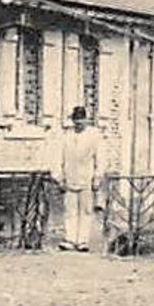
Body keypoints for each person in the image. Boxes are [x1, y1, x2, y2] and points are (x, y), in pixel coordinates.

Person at [60, 106, 103, 251]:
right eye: (76, 121)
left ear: (86, 120)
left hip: (87, 178)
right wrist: (59, 177)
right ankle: (69, 239)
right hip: (69, 177)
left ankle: (83, 240)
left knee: (86, 210)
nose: (78, 124)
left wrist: (97, 177)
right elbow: (57, 157)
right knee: (69, 210)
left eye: (81, 121)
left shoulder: (94, 136)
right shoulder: (66, 136)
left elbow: (101, 158)